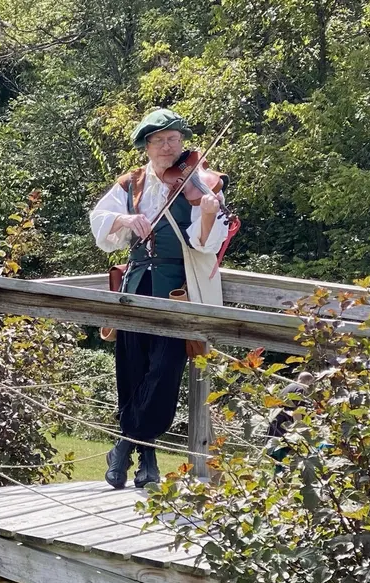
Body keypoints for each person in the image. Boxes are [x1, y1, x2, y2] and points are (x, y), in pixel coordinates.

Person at [89, 108, 229, 489]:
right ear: (146, 146)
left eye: (174, 139)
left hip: (176, 288)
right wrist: (125, 221)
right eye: (160, 141)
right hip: (136, 283)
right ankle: (146, 455)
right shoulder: (130, 183)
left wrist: (206, 214)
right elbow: (99, 221)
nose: (169, 147)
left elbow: (206, 243)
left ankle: (124, 443)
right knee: (131, 367)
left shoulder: (200, 182)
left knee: (165, 370)